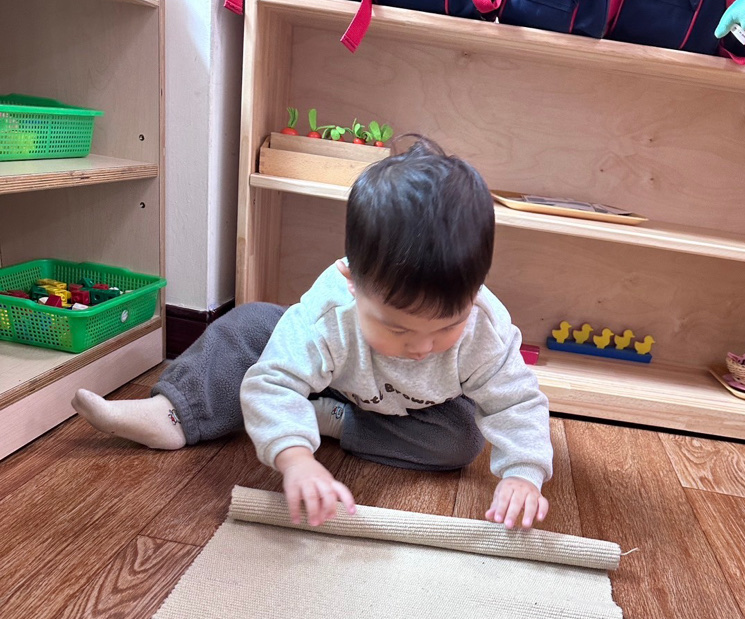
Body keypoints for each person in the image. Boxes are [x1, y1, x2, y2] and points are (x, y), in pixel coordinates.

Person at [73, 138, 553, 530]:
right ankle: (176, 412)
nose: (423, 347)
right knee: (250, 324)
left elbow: (516, 402)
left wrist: (523, 474)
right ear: (352, 282)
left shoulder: (484, 327)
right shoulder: (330, 311)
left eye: (448, 326)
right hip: (331, 376)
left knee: (461, 439)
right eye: (397, 327)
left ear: (475, 293)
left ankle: (332, 420)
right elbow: (273, 380)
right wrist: (295, 458)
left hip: (410, 411)